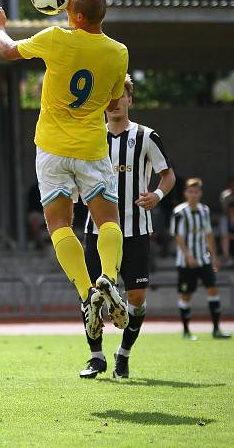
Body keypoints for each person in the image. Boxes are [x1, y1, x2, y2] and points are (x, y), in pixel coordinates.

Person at [0, 0, 129, 341]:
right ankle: (108, 277)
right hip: (92, 150)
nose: (63, 10)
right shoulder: (118, 52)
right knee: (107, 221)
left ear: (78, 17)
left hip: (51, 148)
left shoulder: (56, 38)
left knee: (59, 226)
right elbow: (114, 104)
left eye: (68, 7)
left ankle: (86, 296)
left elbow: (8, 51)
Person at [81, 74, 176, 379]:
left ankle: (123, 354)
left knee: (136, 298)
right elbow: (76, 173)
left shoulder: (147, 137)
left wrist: (157, 195)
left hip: (136, 230)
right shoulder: (92, 136)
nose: (115, 102)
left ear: (129, 99)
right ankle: (96, 357)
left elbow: (168, 175)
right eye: (109, 97)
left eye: (120, 95)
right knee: (90, 296)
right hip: (95, 229)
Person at [171, 178, 231, 341]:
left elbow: (209, 234)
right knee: (186, 294)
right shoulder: (179, 212)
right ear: (186, 193)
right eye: (191, 191)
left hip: (203, 259)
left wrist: (214, 257)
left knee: (212, 289)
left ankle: (217, 329)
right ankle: (186, 331)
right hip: (185, 262)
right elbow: (178, 236)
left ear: (200, 193)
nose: (194, 194)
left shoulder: (205, 210)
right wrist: (188, 255)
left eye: (196, 191)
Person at [26, 182, 45, 250]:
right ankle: (40, 244)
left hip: (51, 212)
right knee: (35, 220)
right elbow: (33, 206)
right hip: (38, 213)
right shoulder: (34, 188)